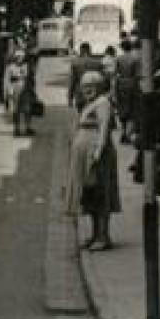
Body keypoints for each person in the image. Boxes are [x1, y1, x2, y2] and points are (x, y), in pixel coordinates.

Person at [65, 70, 121, 251]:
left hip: (96, 155)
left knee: (100, 193)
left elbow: (104, 128)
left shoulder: (103, 103)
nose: (87, 90)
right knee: (90, 194)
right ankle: (95, 234)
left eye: (91, 86)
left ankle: (103, 236)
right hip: (84, 154)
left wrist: (98, 151)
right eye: (84, 86)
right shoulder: (89, 103)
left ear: (99, 87)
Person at [112, 37, 143, 145]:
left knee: (122, 108)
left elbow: (115, 73)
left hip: (121, 84)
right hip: (132, 84)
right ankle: (129, 133)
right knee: (132, 109)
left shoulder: (119, 59)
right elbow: (138, 75)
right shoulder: (135, 59)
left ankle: (124, 132)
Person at [8, 48, 37, 137]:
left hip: (26, 89)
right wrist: (9, 91)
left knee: (27, 109)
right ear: (15, 57)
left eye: (21, 57)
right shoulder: (11, 67)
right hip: (15, 88)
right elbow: (7, 80)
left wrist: (32, 90)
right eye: (18, 57)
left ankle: (28, 127)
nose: (20, 58)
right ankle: (17, 128)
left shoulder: (26, 66)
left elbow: (30, 78)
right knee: (16, 110)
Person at [68, 42, 106, 109]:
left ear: (81, 50)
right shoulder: (98, 62)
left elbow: (73, 82)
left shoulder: (76, 63)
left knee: (82, 117)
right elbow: (103, 80)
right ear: (89, 50)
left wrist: (70, 97)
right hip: (95, 95)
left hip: (81, 94)